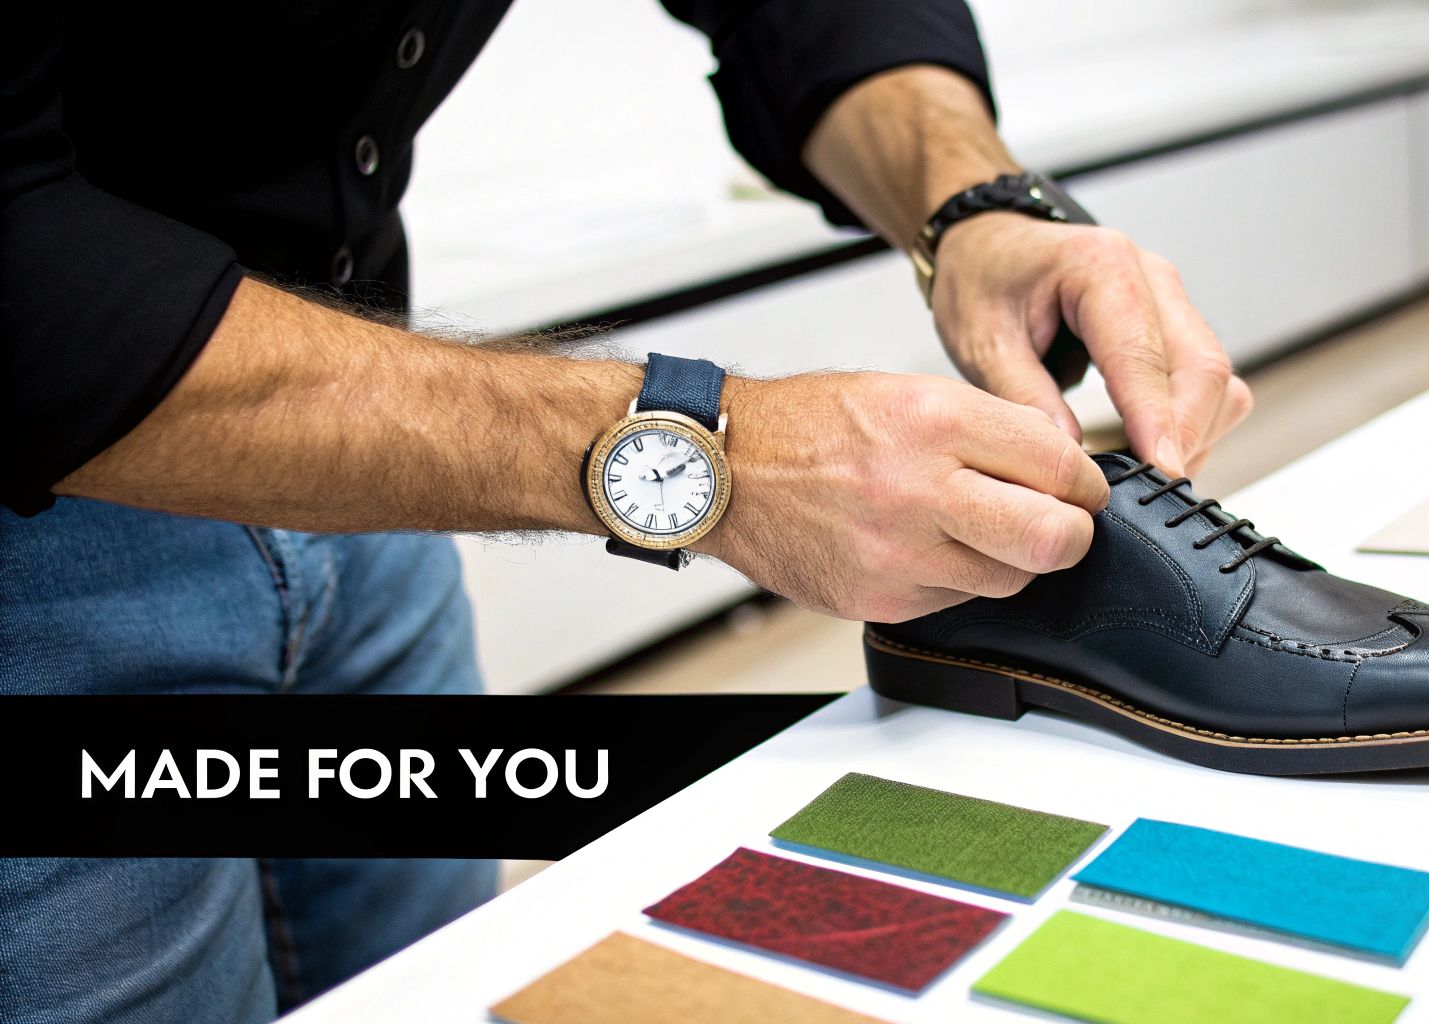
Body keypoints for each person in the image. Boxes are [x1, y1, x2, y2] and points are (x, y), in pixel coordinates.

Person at [0, 3, 1248, 1021]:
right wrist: (710, 456)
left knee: (424, 980)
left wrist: (968, 202)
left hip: (360, 468)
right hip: (38, 544)